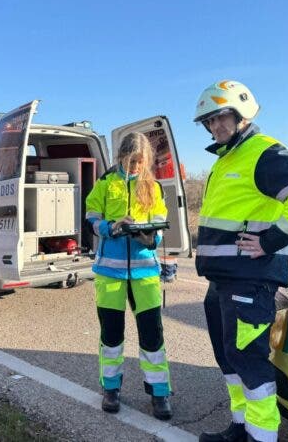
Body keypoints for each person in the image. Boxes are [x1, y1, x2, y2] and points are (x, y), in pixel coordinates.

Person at [193, 81, 288, 442]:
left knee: (250, 364)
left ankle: (261, 437)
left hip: (250, 280)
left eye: (221, 117)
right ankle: (240, 428)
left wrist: (270, 241)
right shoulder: (227, 158)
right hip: (223, 280)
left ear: (241, 114)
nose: (215, 126)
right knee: (230, 361)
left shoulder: (263, 152)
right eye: (209, 121)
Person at [85, 132, 173, 420]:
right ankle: (111, 388)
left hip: (145, 270)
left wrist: (151, 238)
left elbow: (159, 222)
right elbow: (91, 218)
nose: (136, 166)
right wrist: (111, 227)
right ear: (121, 156)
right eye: (131, 160)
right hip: (109, 272)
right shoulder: (105, 183)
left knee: (152, 335)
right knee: (111, 335)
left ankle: (160, 394)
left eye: (141, 161)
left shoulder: (153, 186)